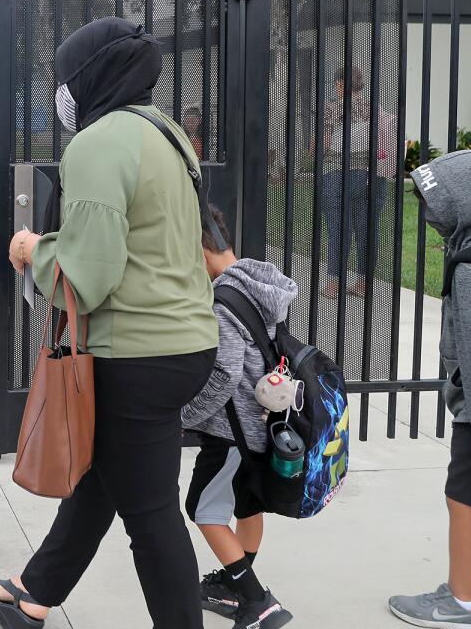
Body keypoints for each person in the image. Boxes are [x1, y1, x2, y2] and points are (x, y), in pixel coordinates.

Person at [0, 17, 218, 629]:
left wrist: (34, 248)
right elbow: (132, 240)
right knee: (105, 476)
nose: (61, 95)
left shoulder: (96, 144)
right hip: (184, 340)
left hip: (133, 351)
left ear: (89, 79)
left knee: (152, 515)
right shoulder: (164, 131)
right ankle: (34, 593)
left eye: (64, 80)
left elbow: (89, 274)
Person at [389, 150, 471, 629]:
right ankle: (459, 593)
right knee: (464, 496)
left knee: (466, 496)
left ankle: (460, 604)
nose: (428, 214)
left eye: (435, 204)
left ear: (466, 205)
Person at [181, 205, 297, 629]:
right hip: (261, 426)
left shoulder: (222, 302)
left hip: (232, 433)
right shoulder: (254, 283)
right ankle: (235, 584)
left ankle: (256, 601)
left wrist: (184, 415)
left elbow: (225, 374)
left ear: (197, 248)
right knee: (247, 506)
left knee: (203, 509)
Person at [319, 65, 395, 299]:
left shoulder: (333, 107)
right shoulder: (375, 109)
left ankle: (333, 285)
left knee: (338, 229)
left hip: (339, 174)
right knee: (367, 230)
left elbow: (322, 145)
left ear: (340, 84)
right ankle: (363, 284)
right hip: (374, 176)